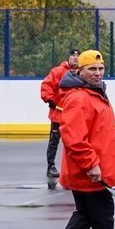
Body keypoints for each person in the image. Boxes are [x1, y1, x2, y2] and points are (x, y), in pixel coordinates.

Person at [42, 50, 115, 229]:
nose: (97, 73)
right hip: (88, 170)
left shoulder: (95, 92)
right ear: (79, 71)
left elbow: (99, 124)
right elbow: (73, 137)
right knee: (102, 212)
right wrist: (91, 164)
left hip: (91, 167)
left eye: (100, 68)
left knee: (88, 213)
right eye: (92, 69)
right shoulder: (78, 98)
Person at [40, 48, 80, 188]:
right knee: (54, 141)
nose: (75, 57)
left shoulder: (82, 72)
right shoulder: (58, 71)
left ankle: (74, 168)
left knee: (74, 142)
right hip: (58, 114)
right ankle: (51, 167)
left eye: (77, 55)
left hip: (74, 115)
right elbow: (46, 85)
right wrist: (49, 99)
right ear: (68, 57)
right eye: (73, 55)